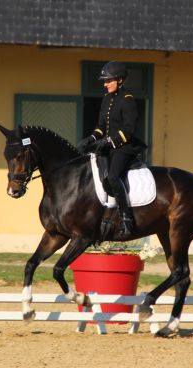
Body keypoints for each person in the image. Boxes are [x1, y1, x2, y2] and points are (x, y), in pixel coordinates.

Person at [78, 61, 144, 236]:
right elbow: (101, 127)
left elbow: (129, 130)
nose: (105, 84)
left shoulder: (127, 99)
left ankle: (126, 218)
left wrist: (109, 142)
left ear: (120, 80)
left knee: (113, 177)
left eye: (108, 81)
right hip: (108, 146)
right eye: (104, 81)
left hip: (124, 146)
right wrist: (91, 138)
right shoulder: (107, 99)